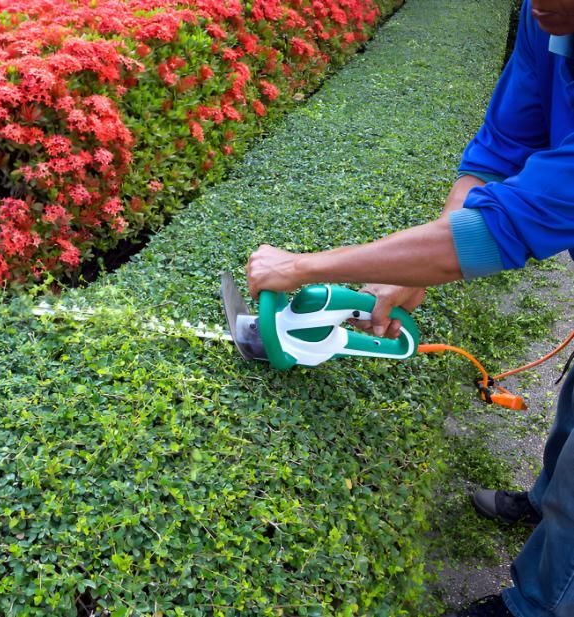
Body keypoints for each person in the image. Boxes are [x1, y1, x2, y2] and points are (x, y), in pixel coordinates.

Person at [245, 1, 574, 615]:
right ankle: (544, 500)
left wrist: (304, 267)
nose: (539, 2)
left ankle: (537, 604)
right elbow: (499, 151)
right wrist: (414, 271)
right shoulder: (546, 16)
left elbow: (512, 223)